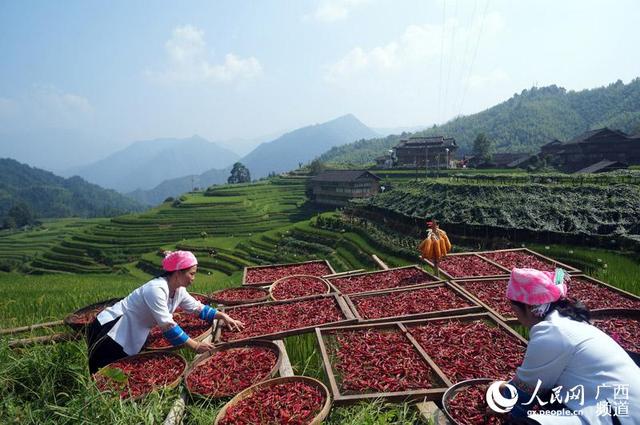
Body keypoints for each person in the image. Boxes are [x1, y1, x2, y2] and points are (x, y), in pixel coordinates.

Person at [495, 268, 640, 424]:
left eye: (514, 309)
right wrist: (506, 386)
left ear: (529, 308)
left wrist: (498, 404)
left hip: (618, 415)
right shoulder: (569, 322)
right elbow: (537, 384)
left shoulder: (551, 331)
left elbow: (522, 397)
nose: (515, 315)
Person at [87, 250, 244, 374]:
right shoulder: (155, 289)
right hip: (112, 331)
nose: (194, 278)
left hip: (132, 331)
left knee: (122, 374)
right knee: (105, 375)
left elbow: (197, 308)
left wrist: (222, 315)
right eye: (192, 273)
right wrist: (195, 346)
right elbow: (168, 326)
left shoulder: (178, 290)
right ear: (177, 273)